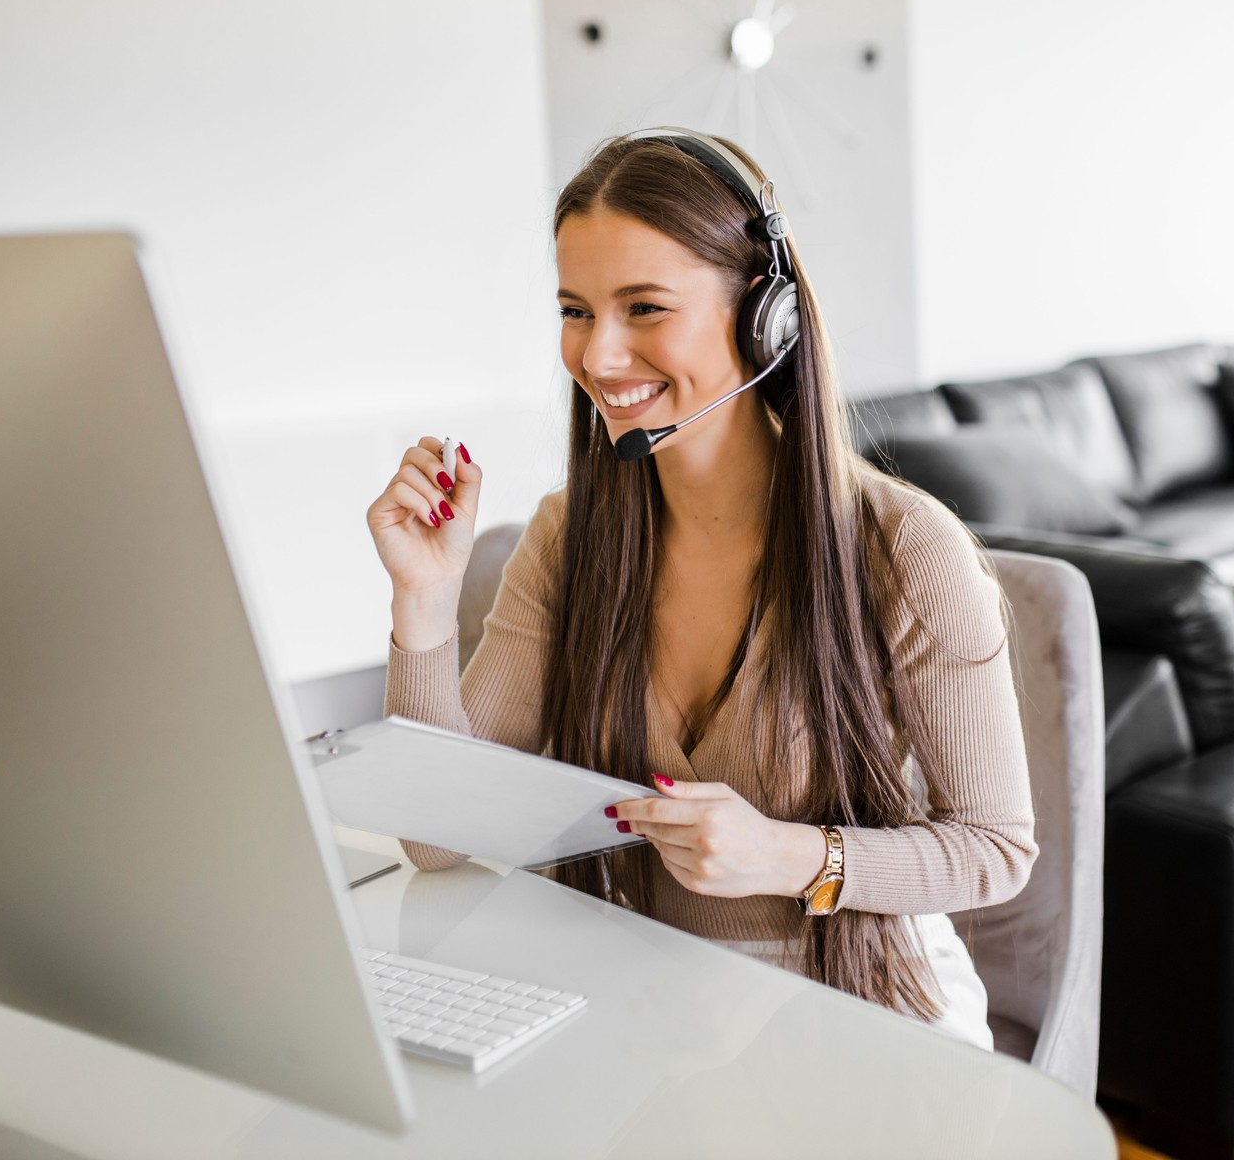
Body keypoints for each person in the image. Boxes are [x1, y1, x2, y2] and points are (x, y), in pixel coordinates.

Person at [365, 128, 1035, 1049]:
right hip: (641, 994)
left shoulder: (904, 549)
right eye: (575, 309)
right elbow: (435, 841)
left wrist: (789, 856)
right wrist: (425, 607)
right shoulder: (572, 537)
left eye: (644, 307)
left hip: (856, 1004)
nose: (598, 357)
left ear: (766, 318)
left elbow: (996, 851)